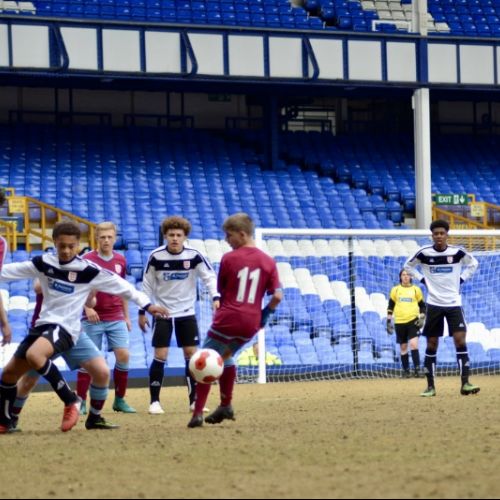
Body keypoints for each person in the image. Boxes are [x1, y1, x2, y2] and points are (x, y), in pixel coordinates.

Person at [0, 220, 168, 434]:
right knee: (9, 374)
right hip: (44, 328)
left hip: (69, 330)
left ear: (78, 244)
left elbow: (124, 287)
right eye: (62, 246)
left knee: (98, 373)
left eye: (71, 246)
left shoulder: (88, 270)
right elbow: (7, 272)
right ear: (54, 243)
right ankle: (7, 420)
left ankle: (80, 408)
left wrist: (148, 305)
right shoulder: (43, 262)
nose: (67, 250)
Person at [188, 212, 283, 428]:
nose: (226, 240)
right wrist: (264, 315)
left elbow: (222, 290)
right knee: (226, 356)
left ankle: (197, 414)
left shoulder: (229, 258)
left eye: (229, 236)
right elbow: (277, 295)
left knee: (205, 360)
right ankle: (226, 404)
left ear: (242, 234)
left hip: (228, 318)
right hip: (251, 323)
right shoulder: (268, 261)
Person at [10, 280, 120, 431]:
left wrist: (90, 295)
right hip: (45, 332)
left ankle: (95, 418)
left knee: (102, 372)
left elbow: (91, 302)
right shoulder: (49, 265)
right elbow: (37, 287)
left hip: (73, 332)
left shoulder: (83, 269)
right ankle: (11, 419)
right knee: (28, 380)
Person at [140, 216, 220, 415]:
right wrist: (143, 310)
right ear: (165, 236)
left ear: (185, 237)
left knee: (191, 356)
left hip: (187, 313)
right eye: (171, 235)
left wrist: (216, 297)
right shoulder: (156, 256)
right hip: (163, 313)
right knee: (161, 355)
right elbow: (147, 285)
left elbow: (209, 277)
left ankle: (194, 401)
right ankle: (155, 402)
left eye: (179, 235)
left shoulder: (194, 255)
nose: (175, 238)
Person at [404, 219, 480, 397]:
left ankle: (466, 383)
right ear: (432, 235)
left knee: (460, 340)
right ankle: (430, 387)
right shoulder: (423, 253)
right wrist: (422, 279)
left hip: (454, 303)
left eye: (442, 233)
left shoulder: (457, 252)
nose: (439, 236)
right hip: (434, 304)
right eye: (436, 233)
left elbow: (473, 263)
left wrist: (461, 279)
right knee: (432, 343)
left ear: (447, 234)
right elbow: (407, 266)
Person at [76, 222, 136, 415]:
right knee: (88, 361)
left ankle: (119, 400)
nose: (106, 240)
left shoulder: (120, 260)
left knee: (124, 355)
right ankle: (82, 401)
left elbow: (123, 290)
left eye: (110, 237)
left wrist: (127, 317)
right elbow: (79, 288)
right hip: (92, 318)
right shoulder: (86, 260)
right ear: (96, 238)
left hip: (115, 314)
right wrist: (87, 308)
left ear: (115, 238)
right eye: (102, 237)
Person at [386, 270, 426, 378]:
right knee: (403, 347)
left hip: (413, 321)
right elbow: (391, 305)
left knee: (413, 344)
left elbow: (422, 306)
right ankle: (406, 371)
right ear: (400, 277)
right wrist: (389, 320)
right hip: (399, 322)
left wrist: (422, 317)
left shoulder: (416, 290)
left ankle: (417, 370)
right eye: (403, 275)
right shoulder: (395, 290)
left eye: (408, 274)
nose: (405, 276)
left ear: (411, 277)